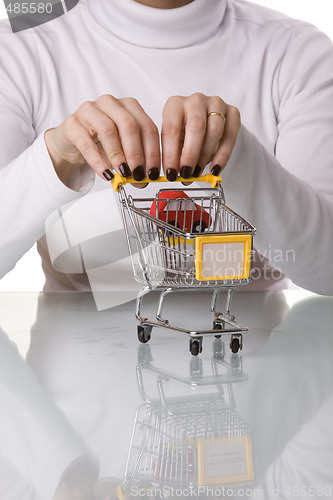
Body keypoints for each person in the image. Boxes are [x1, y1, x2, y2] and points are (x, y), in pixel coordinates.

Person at [0, 0, 332, 295]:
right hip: (75, 352)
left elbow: (328, 270)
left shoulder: (298, 50)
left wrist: (237, 155)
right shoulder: (19, 45)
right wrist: (55, 156)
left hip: (268, 355)